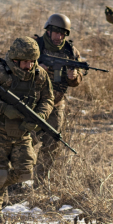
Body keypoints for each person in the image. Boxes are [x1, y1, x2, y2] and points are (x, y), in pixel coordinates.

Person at [0, 37, 54, 222]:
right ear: (15, 60)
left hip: (23, 132)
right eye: (26, 62)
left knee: (25, 173)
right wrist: (2, 108)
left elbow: (48, 99)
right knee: (0, 173)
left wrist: (40, 116)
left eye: (33, 61)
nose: (29, 65)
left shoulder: (40, 75)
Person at [32, 14, 82, 187]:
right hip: (33, 103)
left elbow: (77, 78)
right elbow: (16, 68)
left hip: (56, 104)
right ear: (48, 29)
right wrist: (36, 69)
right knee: (25, 141)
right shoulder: (35, 46)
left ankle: (39, 183)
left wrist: (73, 77)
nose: (58, 37)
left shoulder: (70, 52)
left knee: (52, 143)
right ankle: (15, 178)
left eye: (62, 34)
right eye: (55, 32)